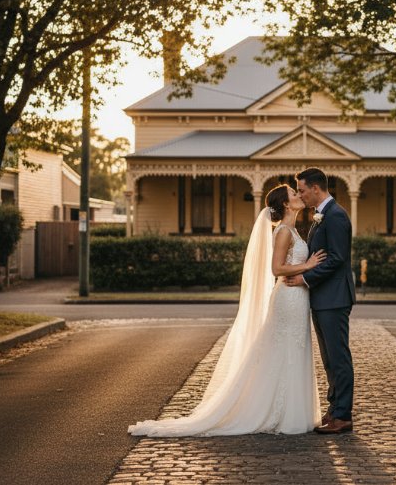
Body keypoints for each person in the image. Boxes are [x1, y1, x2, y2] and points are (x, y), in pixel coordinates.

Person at [128, 184, 325, 436]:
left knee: (292, 349)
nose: (299, 196)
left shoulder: (293, 230)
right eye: (294, 194)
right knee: (286, 348)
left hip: (297, 297)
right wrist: (307, 265)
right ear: (286, 204)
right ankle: (278, 412)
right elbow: (276, 269)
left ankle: (291, 409)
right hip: (288, 298)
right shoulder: (284, 232)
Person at [284, 167, 356, 435]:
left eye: (302, 190)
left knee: (339, 357)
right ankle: (334, 408)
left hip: (334, 298)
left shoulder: (336, 216)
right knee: (329, 359)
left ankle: (343, 415)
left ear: (316, 188)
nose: (300, 195)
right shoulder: (320, 217)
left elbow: (337, 259)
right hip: (322, 298)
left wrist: (305, 279)